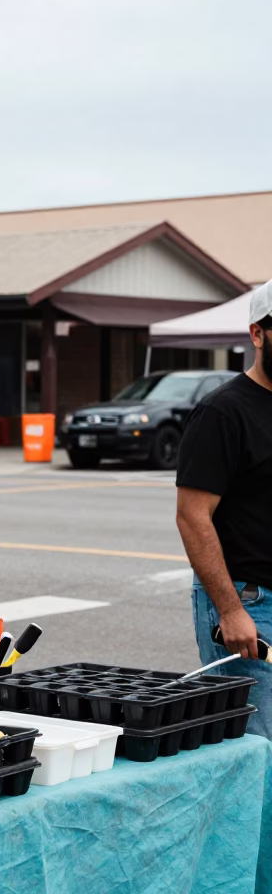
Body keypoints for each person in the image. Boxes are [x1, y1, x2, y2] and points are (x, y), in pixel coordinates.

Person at [176, 281, 272, 738]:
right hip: (252, 604)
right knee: (258, 753)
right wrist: (230, 610)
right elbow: (192, 516)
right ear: (257, 334)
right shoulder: (222, 413)